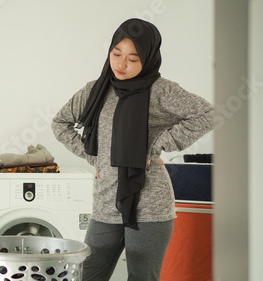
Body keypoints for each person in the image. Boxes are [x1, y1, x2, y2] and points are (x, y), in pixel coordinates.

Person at [51, 18, 214, 281]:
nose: (121, 64)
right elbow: (60, 124)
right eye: (116, 54)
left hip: (150, 205)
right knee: (87, 275)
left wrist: (156, 147)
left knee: (141, 278)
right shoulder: (94, 90)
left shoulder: (162, 91)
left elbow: (207, 114)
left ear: (148, 59)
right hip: (105, 203)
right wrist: (95, 157)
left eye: (133, 58)